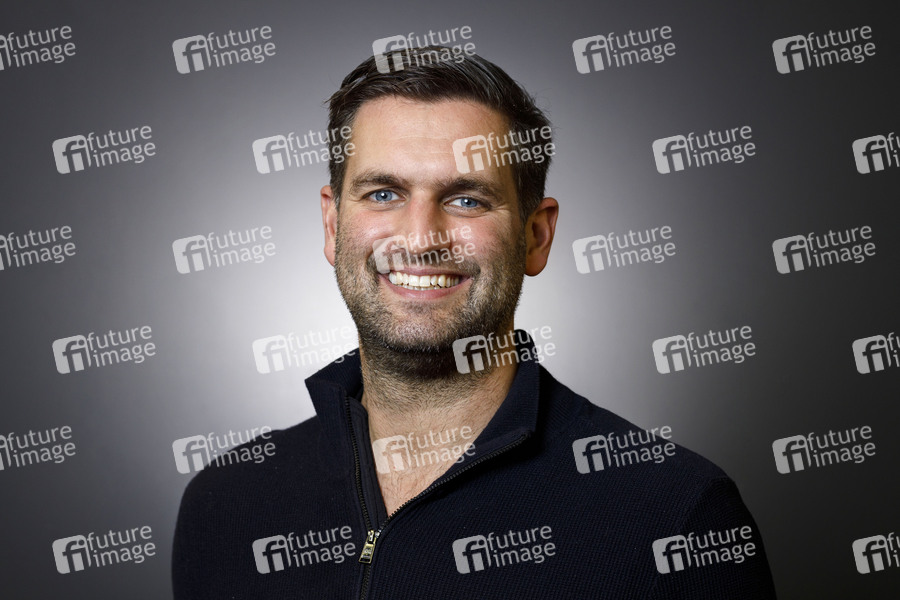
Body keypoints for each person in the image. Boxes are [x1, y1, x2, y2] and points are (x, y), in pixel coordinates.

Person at [173, 47, 778, 599]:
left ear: (535, 236)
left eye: (467, 199)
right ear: (333, 226)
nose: (420, 239)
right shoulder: (226, 504)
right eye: (383, 193)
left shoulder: (675, 515)